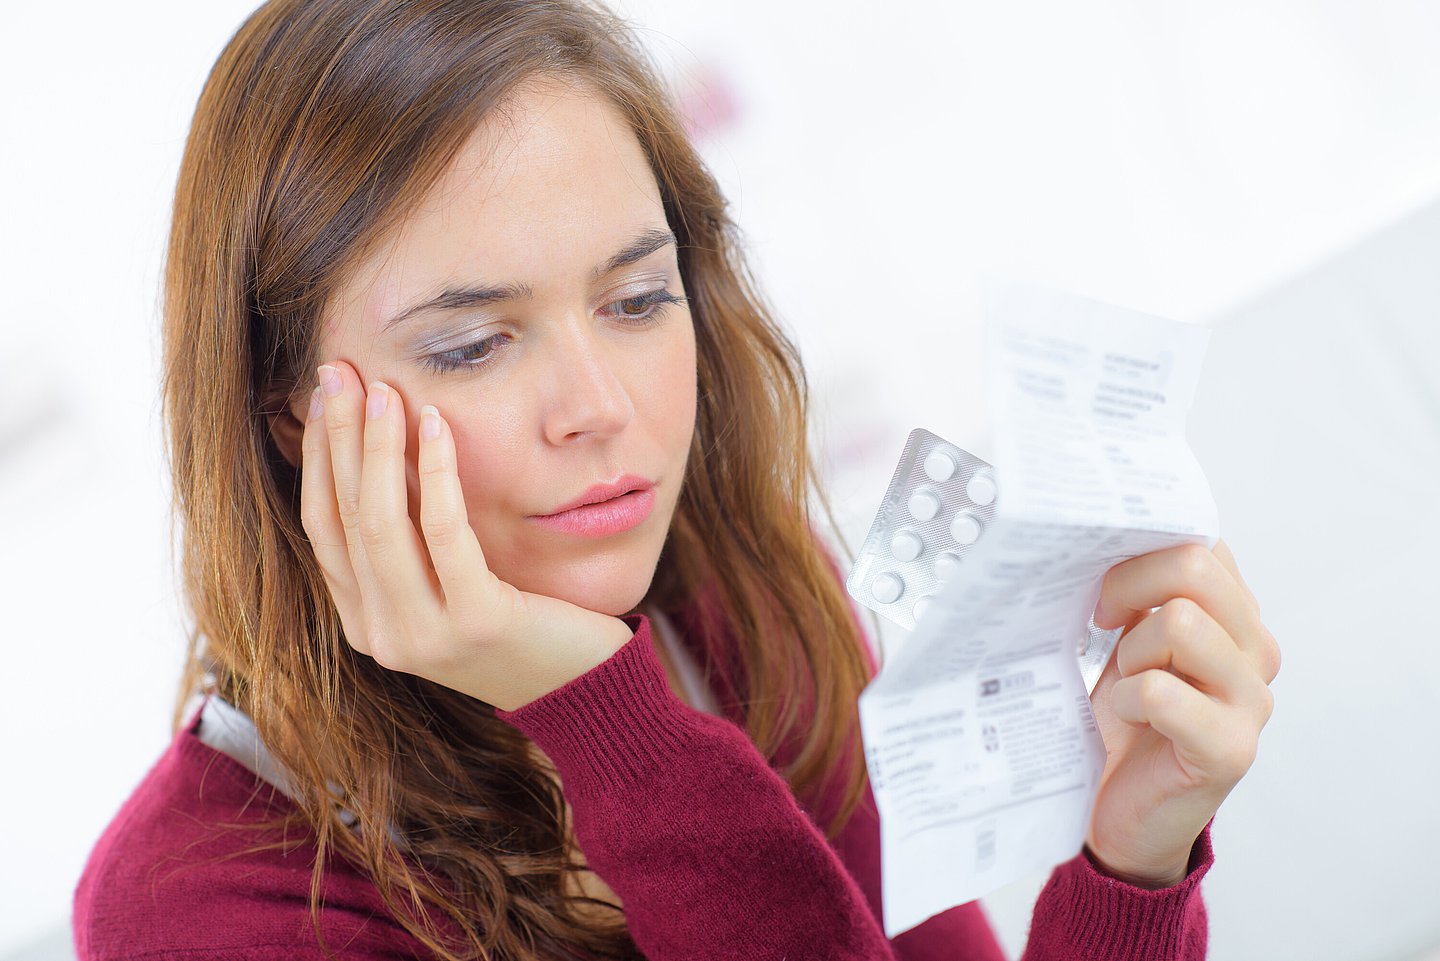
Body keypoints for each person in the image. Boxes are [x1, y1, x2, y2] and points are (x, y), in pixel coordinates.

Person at [72, 0, 1281, 958]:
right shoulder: (197, 902)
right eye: (472, 344)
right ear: (289, 412)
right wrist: (610, 718)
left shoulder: (750, 606)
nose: (599, 406)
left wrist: (1133, 865)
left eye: (639, 300)